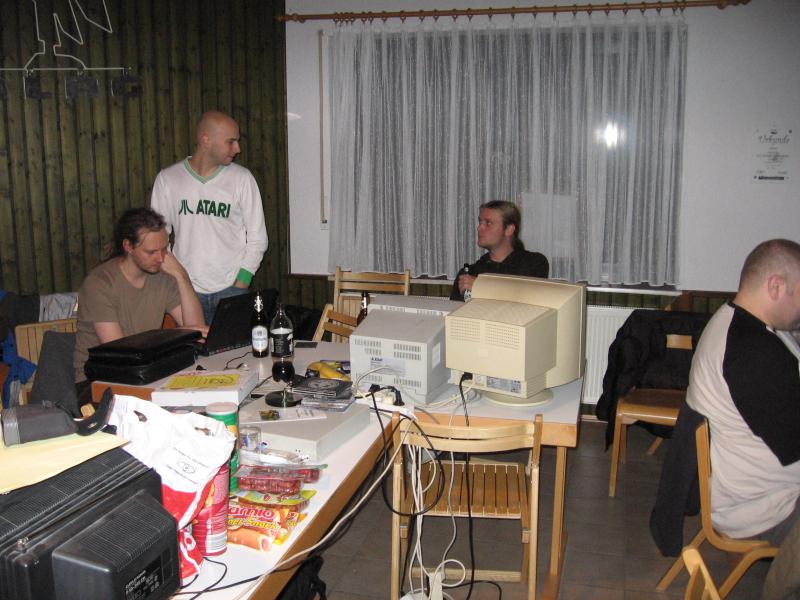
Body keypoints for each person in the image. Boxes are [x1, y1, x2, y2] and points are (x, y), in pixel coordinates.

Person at [686, 239, 800, 554]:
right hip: (763, 508)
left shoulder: (734, 321)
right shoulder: (754, 352)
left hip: (746, 492)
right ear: (776, 286)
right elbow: (794, 445)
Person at [151, 110, 268, 323]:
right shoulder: (168, 179)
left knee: (232, 346)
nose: (238, 149)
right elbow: (157, 238)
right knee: (192, 345)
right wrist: (177, 278)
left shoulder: (242, 179)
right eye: (231, 142)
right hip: (186, 291)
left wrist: (240, 283)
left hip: (232, 290)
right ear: (206, 140)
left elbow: (258, 238)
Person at [73, 208, 206, 394]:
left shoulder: (162, 276)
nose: (161, 258)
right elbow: (120, 355)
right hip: (97, 381)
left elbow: (197, 331)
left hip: (144, 371)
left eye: (164, 249)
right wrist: (176, 336)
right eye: (151, 252)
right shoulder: (99, 283)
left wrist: (181, 275)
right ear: (128, 246)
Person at [450, 200, 549, 301]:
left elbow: (530, 298)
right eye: (480, 222)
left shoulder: (533, 263)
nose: (479, 228)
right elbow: (455, 309)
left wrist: (481, 287)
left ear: (509, 229)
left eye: (488, 223)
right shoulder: (471, 272)